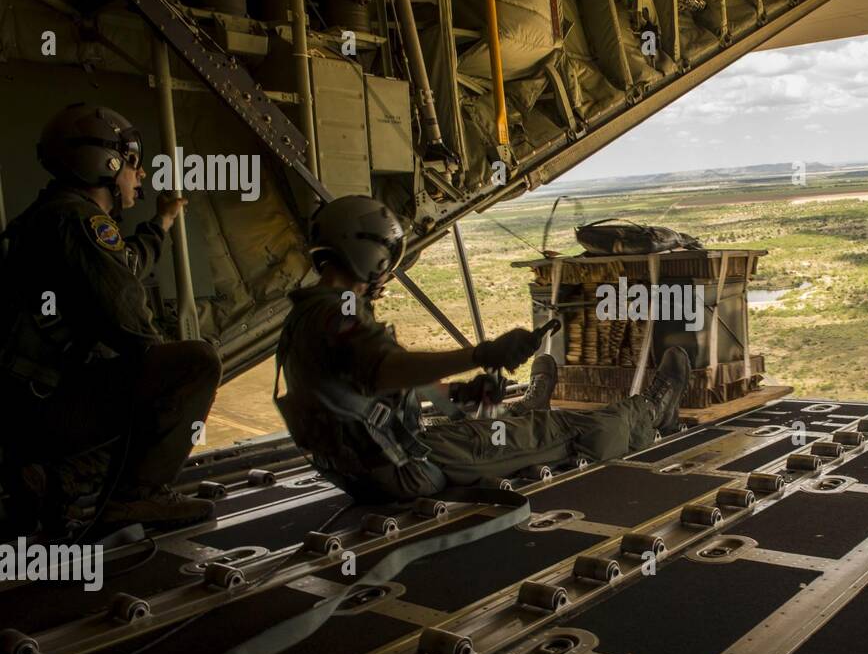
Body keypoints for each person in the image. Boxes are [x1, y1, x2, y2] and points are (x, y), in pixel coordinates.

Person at [274, 195, 690, 503]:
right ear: (371, 252)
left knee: (511, 424)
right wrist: (481, 354)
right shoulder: (339, 315)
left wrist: (460, 393)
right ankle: (652, 413)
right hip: (407, 467)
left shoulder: (306, 316)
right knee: (564, 430)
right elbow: (385, 369)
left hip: (363, 469)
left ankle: (530, 406)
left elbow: (359, 393)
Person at [0, 104, 220, 532]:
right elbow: (129, 318)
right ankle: (133, 497)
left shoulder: (58, 216)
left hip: (30, 401)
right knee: (196, 364)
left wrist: (162, 222)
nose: (139, 176)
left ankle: (60, 479)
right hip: (45, 407)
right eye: (133, 164)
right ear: (107, 163)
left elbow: (123, 263)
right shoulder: (80, 221)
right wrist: (166, 382)